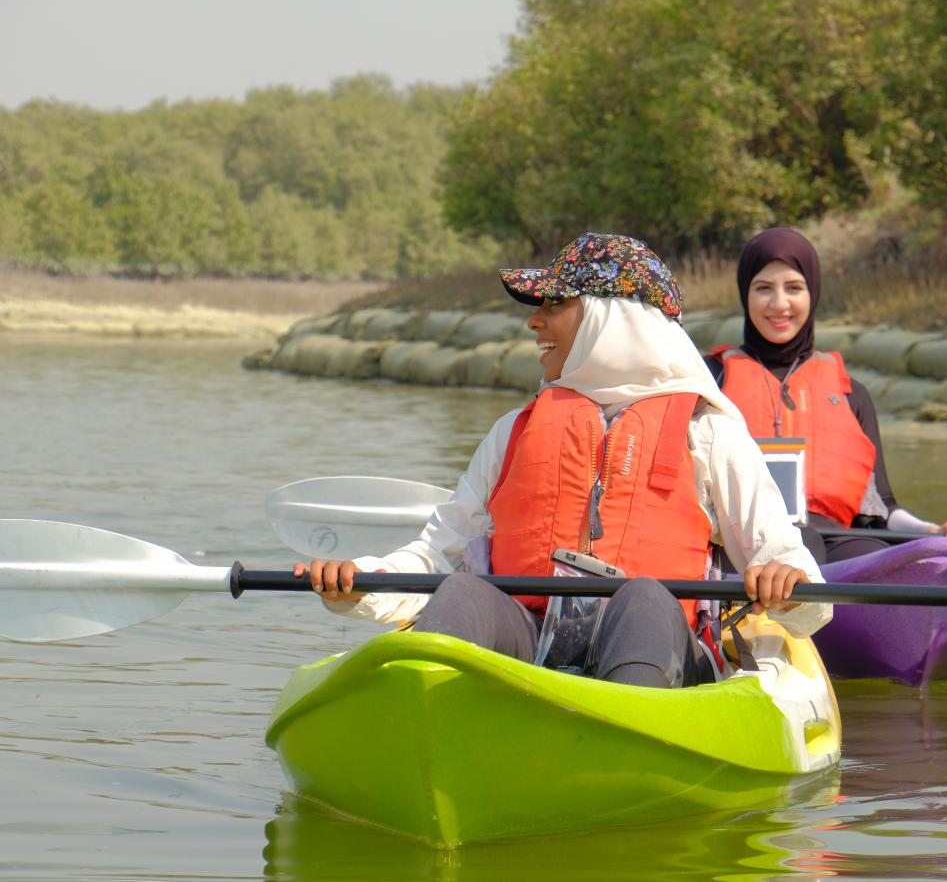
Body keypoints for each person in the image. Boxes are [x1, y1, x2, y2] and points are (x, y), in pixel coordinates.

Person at [295, 232, 829, 689]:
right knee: (464, 592)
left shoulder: (707, 432)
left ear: (611, 319)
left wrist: (787, 582)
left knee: (644, 597)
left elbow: (794, 571)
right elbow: (437, 557)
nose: (535, 323)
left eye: (555, 305)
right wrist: (361, 583)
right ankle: (432, 717)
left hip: (656, 653)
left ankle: (627, 745)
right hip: (529, 640)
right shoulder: (514, 431)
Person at [705, 227, 947, 566]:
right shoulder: (711, 379)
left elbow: (883, 508)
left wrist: (933, 530)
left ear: (813, 293)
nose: (779, 304)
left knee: (880, 558)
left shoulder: (853, 395)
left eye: (794, 288)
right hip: (741, 543)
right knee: (803, 544)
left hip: (834, 541)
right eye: (763, 288)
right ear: (744, 295)